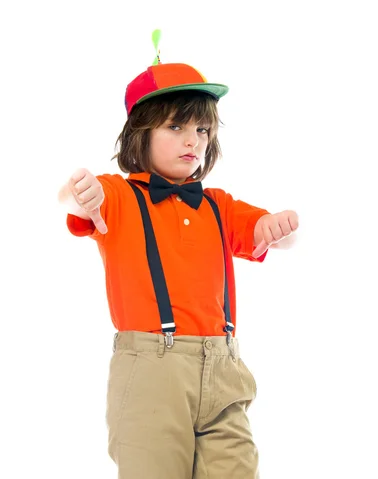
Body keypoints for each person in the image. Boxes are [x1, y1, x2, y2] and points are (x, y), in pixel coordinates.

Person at [57, 31, 298, 479]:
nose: (193, 141)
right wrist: (78, 194)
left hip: (224, 370)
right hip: (152, 373)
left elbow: (264, 232)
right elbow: (74, 202)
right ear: (139, 134)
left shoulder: (217, 204)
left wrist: (277, 229)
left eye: (202, 129)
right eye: (175, 127)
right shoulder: (121, 196)